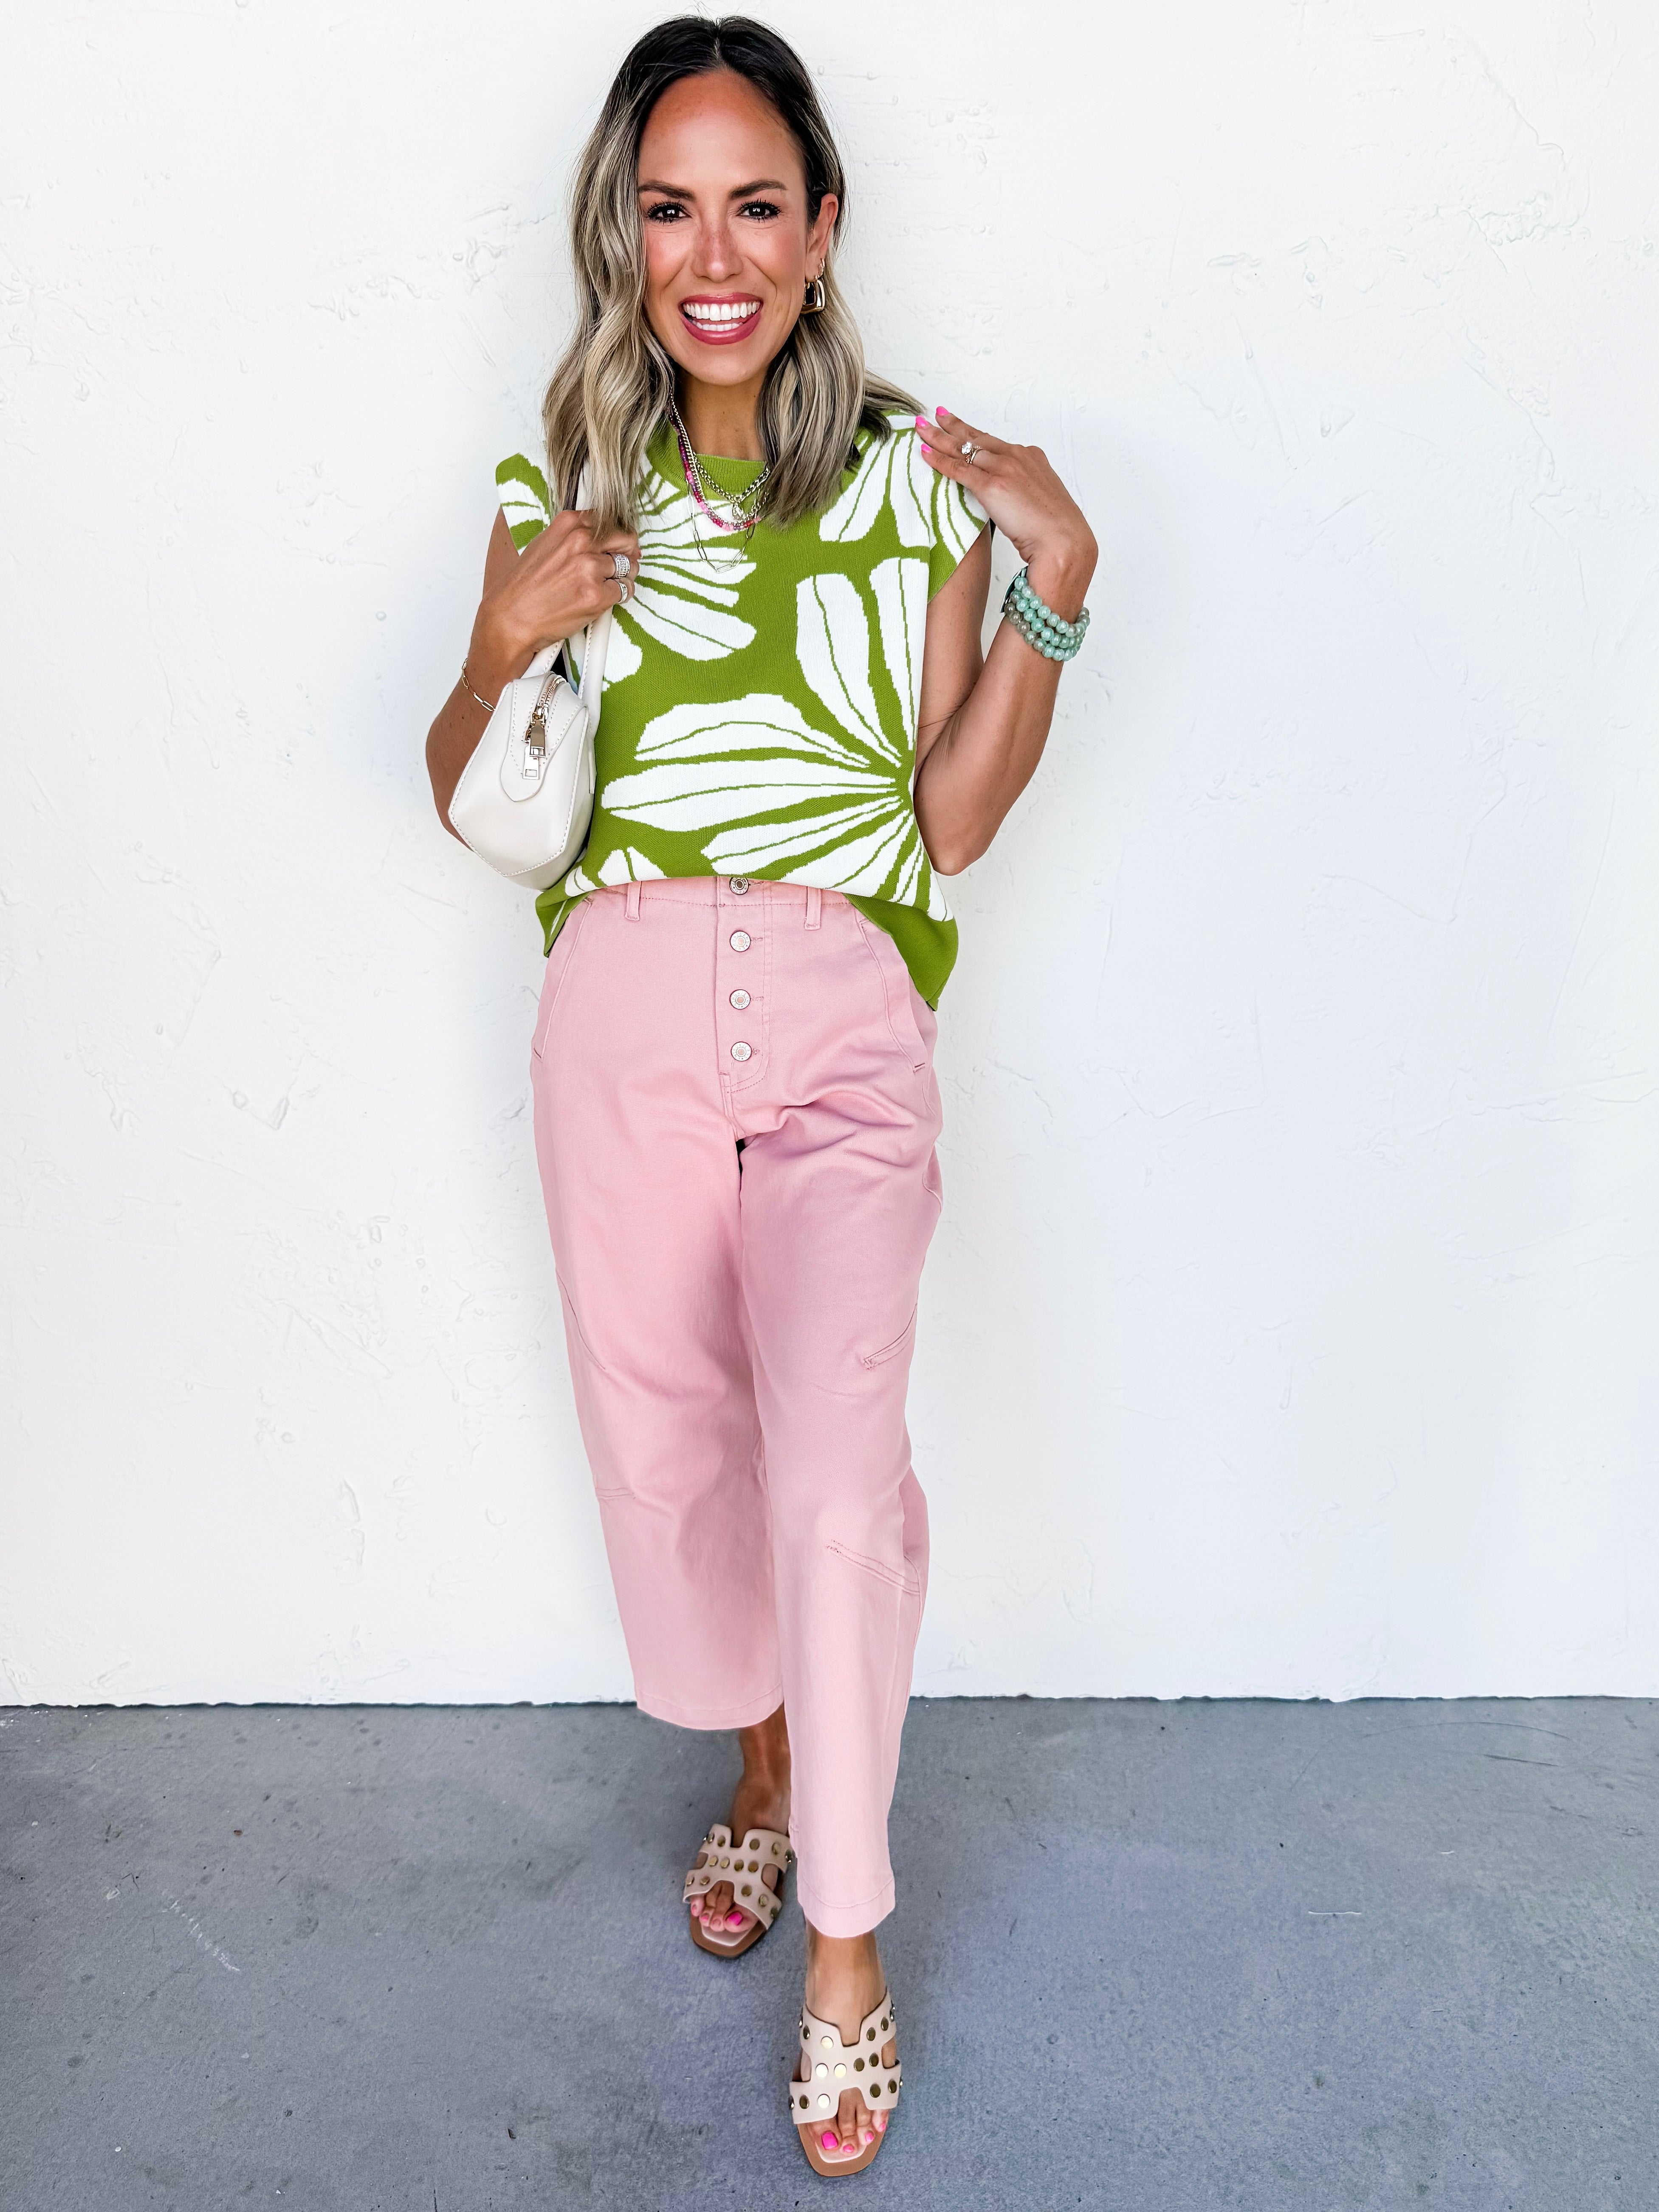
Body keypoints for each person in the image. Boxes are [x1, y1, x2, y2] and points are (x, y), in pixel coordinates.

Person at [423, 15, 1095, 2179]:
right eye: (665, 208)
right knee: (674, 1451)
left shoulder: (913, 481)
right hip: (617, 1009)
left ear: (820, 227)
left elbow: (949, 821)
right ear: (618, 235)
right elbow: (470, 797)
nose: (709, 255)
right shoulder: (560, 483)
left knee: (831, 1474)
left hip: (836, 1015)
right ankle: (764, 1770)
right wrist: (495, 641)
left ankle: (846, 1947)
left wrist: (1056, 589)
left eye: (751, 206)